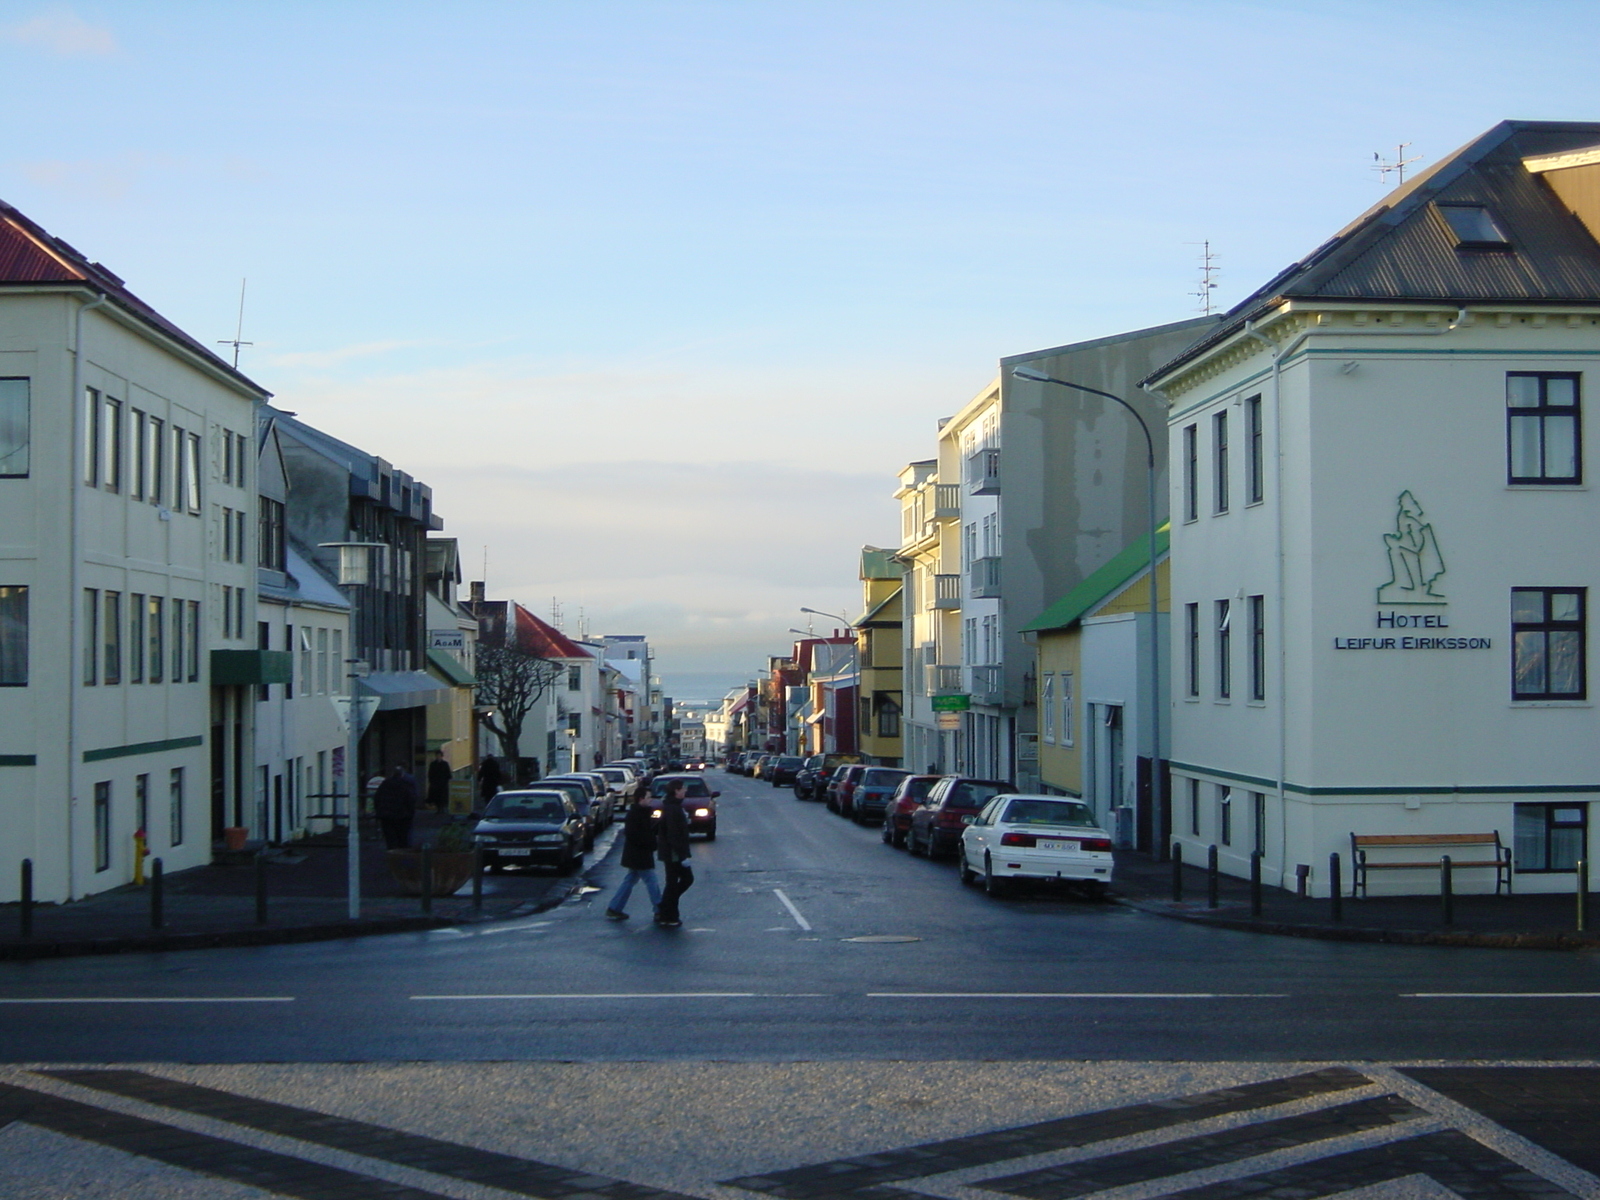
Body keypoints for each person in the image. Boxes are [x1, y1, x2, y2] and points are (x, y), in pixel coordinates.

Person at [605, 791, 662, 921]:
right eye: (648, 797)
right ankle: (660, 909)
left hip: (636, 854)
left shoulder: (641, 813)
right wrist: (650, 843)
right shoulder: (636, 814)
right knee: (651, 881)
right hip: (640, 854)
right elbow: (633, 835)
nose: (651, 800)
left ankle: (614, 908)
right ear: (640, 799)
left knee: (630, 880)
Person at [655, 781, 693, 928]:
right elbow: (673, 834)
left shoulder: (674, 806)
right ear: (676, 791)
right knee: (682, 880)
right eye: (683, 788)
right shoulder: (672, 808)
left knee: (674, 883)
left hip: (673, 852)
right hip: (673, 853)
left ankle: (667, 911)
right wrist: (682, 854)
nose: (685, 790)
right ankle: (667, 912)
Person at [372, 765, 418, 849]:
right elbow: (411, 799)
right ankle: (401, 856)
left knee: (390, 838)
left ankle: (391, 854)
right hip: (402, 815)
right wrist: (410, 813)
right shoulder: (406, 785)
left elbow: (377, 798)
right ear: (402, 775)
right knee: (402, 838)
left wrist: (378, 811)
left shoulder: (385, 784)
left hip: (386, 816)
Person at [427, 749, 453, 814]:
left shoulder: (445, 764)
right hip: (436, 783)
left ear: (441, 756)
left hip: (443, 783)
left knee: (443, 796)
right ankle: (439, 809)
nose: (438, 756)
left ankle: (442, 808)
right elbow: (430, 773)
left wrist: (448, 780)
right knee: (437, 796)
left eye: (439, 755)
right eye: (437, 755)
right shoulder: (433, 764)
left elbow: (448, 773)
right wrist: (431, 781)